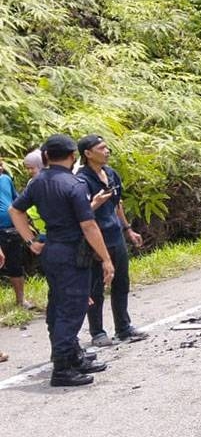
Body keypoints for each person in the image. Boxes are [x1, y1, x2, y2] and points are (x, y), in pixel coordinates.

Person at [8, 134, 114, 387]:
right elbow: (88, 225)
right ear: (73, 156)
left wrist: (30, 241)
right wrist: (106, 258)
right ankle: (63, 368)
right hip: (71, 252)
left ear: (46, 156)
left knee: (58, 305)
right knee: (72, 309)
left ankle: (72, 356)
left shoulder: (38, 181)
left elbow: (15, 210)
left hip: (51, 250)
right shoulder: (73, 184)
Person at [76, 135, 149, 346]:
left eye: (107, 147)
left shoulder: (111, 173)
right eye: (101, 148)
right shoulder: (81, 180)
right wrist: (95, 204)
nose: (107, 151)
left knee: (121, 283)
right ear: (88, 154)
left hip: (116, 235)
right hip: (95, 240)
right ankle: (97, 332)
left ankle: (123, 328)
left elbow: (117, 204)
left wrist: (128, 229)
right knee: (96, 287)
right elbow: (80, 214)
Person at [1, 160, 32, 310]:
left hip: (12, 229)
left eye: (1, 165)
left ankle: (21, 300)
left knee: (16, 264)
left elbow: (17, 201)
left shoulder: (6, 179)